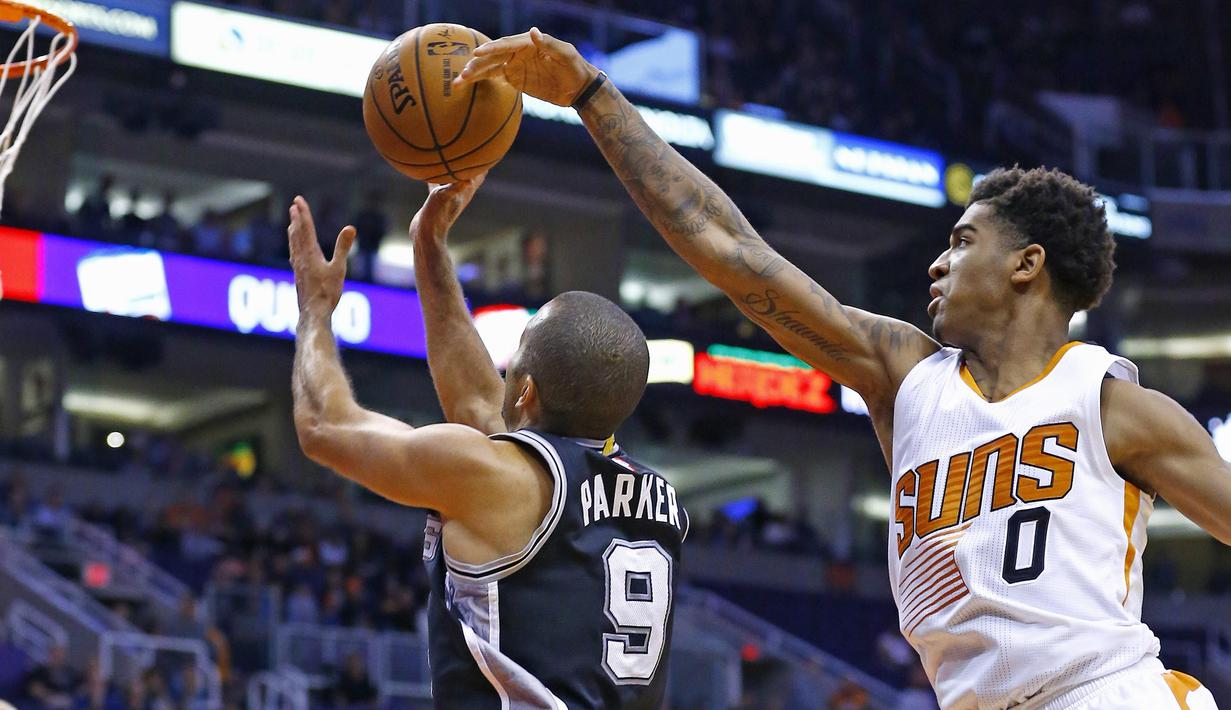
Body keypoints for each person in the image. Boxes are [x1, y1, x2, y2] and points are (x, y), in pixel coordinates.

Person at [455, 29, 1231, 710]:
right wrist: (592, 95)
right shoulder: (904, 376)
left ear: (1027, 265)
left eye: (962, 242)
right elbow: (735, 256)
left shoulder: (1110, 405)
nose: (936, 262)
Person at [287, 181, 688, 708]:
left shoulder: (500, 480)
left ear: (526, 390)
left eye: (518, 352)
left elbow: (322, 424)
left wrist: (316, 310)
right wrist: (428, 246)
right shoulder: (658, 499)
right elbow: (480, 405)